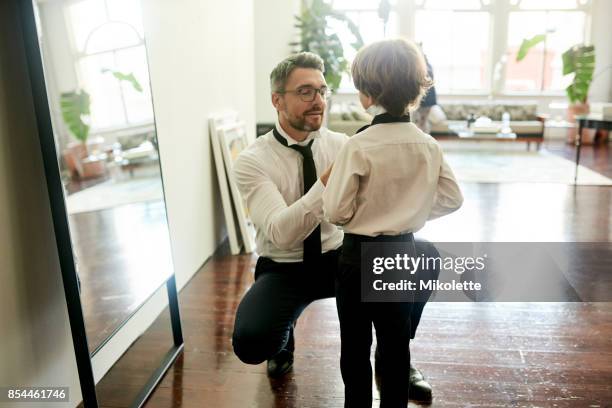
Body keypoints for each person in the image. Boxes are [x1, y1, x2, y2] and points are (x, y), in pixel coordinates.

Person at [230, 51, 435, 400]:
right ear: (277, 99)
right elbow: (281, 232)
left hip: (341, 258)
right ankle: (283, 345)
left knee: (425, 257)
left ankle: (393, 355)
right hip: (285, 268)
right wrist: (327, 181)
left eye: (323, 91)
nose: (318, 101)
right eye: (306, 92)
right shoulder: (252, 161)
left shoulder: (346, 145)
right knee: (251, 343)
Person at [323, 39, 463, 407]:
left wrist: (363, 217)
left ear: (367, 95)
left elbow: (335, 211)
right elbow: (452, 198)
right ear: (416, 93)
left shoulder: (358, 145)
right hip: (400, 253)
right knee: (395, 346)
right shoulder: (428, 145)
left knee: (354, 346)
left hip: (356, 257)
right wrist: (411, 212)